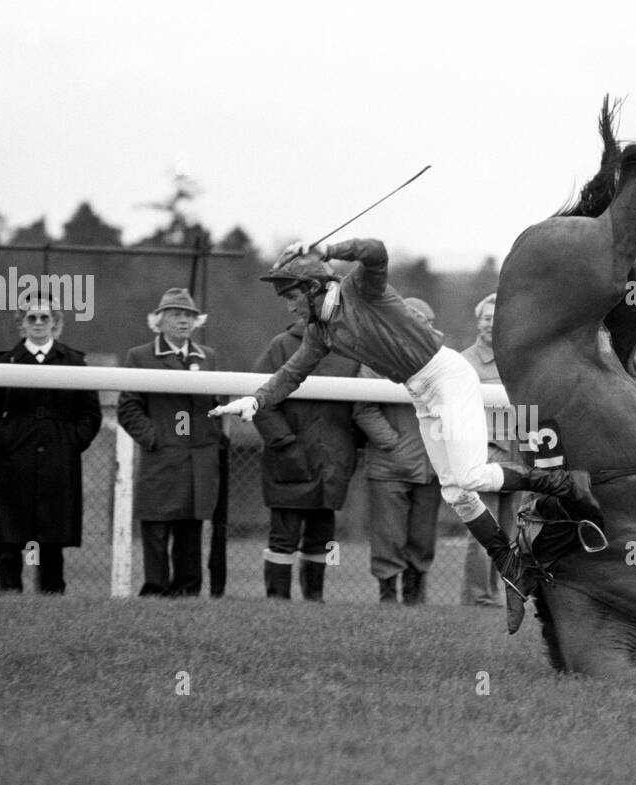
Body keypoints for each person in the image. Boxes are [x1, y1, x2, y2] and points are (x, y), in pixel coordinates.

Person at [211, 239, 600, 632]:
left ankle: (566, 484)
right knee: (456, 492)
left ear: (315, 288)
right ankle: (511, 564)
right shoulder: (320, 334)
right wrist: (256, 402)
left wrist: (326, 249)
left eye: (292, 295)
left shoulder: (362, 289)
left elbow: (376, 251)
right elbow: (291, 374)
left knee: (469, 477)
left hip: (447, 377)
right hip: (420, 390)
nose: (290, 306)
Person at [0, 295, 101, 593]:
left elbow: (90, 414)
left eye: (46, 318)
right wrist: (8, 442)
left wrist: (69, 443)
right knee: (13, 534)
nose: (39, 324)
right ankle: (10, 594)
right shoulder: (5, 362)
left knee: (51, 535)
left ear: (56, 323)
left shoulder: (74, 361)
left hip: (58, 462)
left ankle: (50, 595)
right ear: (21, 324)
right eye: (32, 318)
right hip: (15, 462)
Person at [252, 268, 360, 602]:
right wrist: (285, 444)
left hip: (333, 463)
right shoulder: (281, 346)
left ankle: (315, 599)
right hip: (290, 462)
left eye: (292, 298)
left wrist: (354, 448)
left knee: (322, 537)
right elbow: (259, 400)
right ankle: (277, 601)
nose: (289, 308)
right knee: (283, 537)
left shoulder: (355, 349)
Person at [117, 288, 225, 597]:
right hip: (161, 459)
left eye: (189, 316)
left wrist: (210, 437)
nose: (183, 321)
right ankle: (155, 590)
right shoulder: (140, 356)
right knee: (155, 527)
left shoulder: (209, 356)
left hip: (198, 461)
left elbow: (218, 403)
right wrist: (154, 438)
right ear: (159, 321)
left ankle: (188, 591)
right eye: (176, 315)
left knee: (190, 529)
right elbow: (128, 407)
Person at [352, 297, 440, 604]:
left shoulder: (443, 361)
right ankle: (388, 599)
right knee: (388, 538)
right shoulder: (376, 358)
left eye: (427, 323)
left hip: (431, 466)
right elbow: (363, 408)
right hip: (389, 467)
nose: (423, 328)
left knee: (422, 539)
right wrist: (393, 443)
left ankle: (415, 599)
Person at [458, 292, 521, 606]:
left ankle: (499, 593)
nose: (490, 325)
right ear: (477, 321)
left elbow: (527, 407)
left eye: (496, 320)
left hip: (517, 454)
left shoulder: (517, 359)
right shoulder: (465, 361)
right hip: (483, 452)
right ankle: (478, 597)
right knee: (482, 529)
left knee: (509, 533)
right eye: (485, 319)